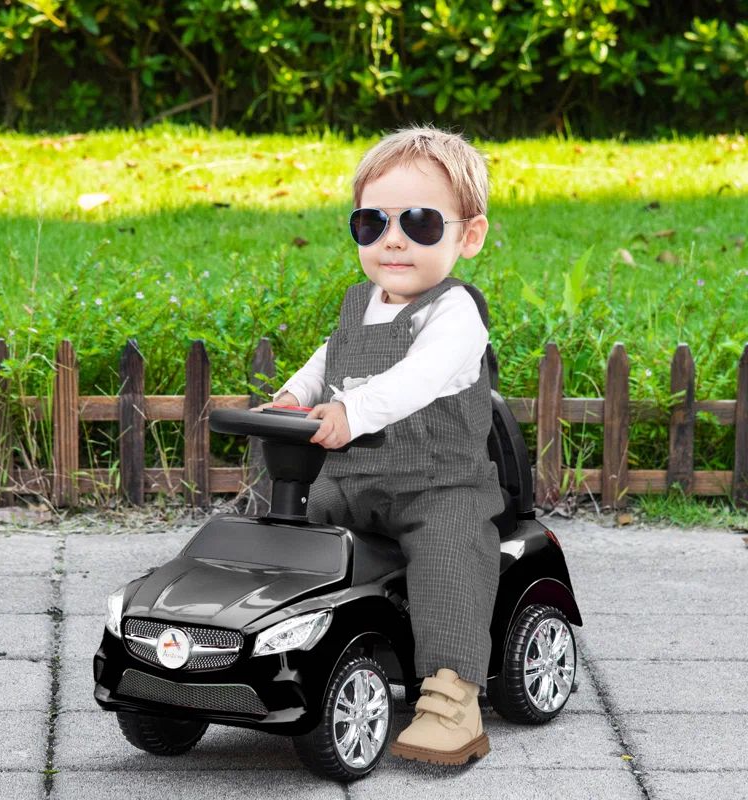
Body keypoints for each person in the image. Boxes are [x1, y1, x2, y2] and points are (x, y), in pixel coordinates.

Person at [253, 125, 505, 766]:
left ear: (467, 236)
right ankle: (257, 647)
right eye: (372, 223)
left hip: (437, 484)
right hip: (351, 480)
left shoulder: (454, 315)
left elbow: (418, 378)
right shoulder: (358, 304)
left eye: (420, 223)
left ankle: (452, 695)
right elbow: (323, 362)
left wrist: (350, 411)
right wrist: (292, 398)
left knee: (451, 557)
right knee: (277, 536)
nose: (393, 239)